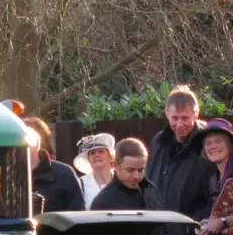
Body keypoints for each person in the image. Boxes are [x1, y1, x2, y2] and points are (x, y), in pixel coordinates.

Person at [145, 85, 215, 234]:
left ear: (196, 115)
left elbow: (215, 195)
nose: (180, 124)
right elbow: (148, 183)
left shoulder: (208, 143)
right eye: (175, 118)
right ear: (166, 114)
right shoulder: (158, 142)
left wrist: (190, 226)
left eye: (185, 118)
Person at [22, 117, 85, 212]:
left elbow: (78, 214)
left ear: (38, 142)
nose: (24, 143)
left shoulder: (64, 174)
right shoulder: (6, 175)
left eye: (28, 138)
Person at [90, 138, 163, 211]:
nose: (136, 176)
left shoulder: (152, 190)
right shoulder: (102, 203)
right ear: (115, 166)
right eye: (130, 170)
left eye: (141, 170)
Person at [190, 118, 233, 234]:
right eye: (208, 143)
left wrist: (222, 221)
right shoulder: (213, 179)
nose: (212, 146)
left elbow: (222, 220)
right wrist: (207, 224)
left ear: (229, 143)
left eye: (218, 141)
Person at [73, 133, 115, 209]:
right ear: (88, 159)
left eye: (101, 151)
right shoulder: (80, 184)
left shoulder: (120, 180)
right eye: (92, 153)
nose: (96, 155)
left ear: (111, 157)